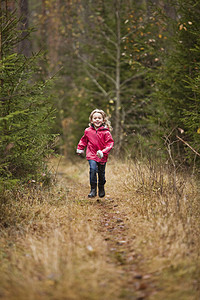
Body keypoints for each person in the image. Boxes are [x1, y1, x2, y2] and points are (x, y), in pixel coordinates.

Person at [77, 109, 114, 198]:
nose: (97, 120)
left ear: (103, 120)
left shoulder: (106, 132)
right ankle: (93, 189)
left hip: (102, 155)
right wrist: (80, 148)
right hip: (91, 154)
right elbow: (84, 140)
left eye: (99, 118)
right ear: (91, 120)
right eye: (95, 118)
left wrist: (103, 152)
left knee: (101, 173)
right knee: (93, 169)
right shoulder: (88, 131)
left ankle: (101, 187)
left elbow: (110, 144)